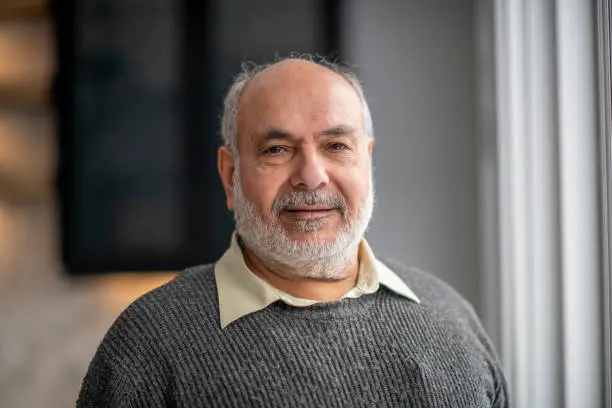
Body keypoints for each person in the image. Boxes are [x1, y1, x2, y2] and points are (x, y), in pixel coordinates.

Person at [77, 55, 508, 407]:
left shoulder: (450, 315)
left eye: (336, 146)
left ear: (367, 162)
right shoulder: (149, 343)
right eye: (277, 149)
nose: (311, 176)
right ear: (231, 176)